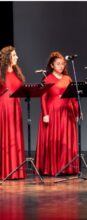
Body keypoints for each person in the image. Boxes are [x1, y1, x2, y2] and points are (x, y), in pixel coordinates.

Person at [35, 51, 80, 176]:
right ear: (52, 66)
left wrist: (77, 112)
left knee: (66, 139)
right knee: (55, 139)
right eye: (58, 64)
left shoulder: (68, 78)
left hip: (67, 113)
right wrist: (45, 114)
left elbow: (73, 98)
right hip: (53, 112)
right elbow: (43, 97)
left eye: (63, 64)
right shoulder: (47, 78)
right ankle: (53, 167)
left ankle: (67, 167)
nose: (61, 66)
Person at [0, 46, 26, 180]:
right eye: (14, 55)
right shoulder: (1, 72)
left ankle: (16, 171)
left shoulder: (16, 71)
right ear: (7, 57)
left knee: (15, 136)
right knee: (6, 136)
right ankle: (5, 170)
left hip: (16, 106)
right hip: (4, 106)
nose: (17, 57)